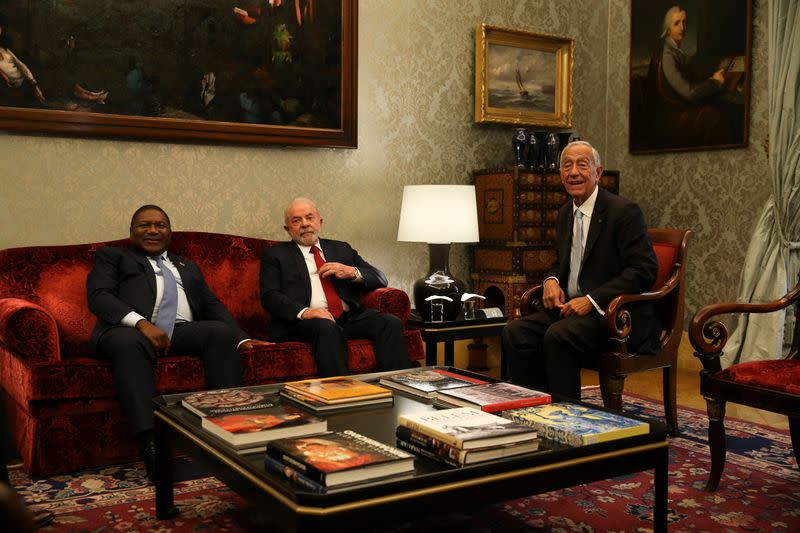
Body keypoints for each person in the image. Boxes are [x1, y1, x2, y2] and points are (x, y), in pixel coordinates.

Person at [86, 205, 271, 482]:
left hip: (180, 331)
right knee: (129, 343)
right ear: (131, 232)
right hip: (127, 331)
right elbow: (99, 296)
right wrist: (142, 324)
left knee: (219, 332)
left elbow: (211, 305)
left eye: (160, 225)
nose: (152, 230)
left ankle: (229, 430)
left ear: (170, 233)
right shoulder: (114, 257)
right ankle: (153, 446)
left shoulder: (186, 265)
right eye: (144, 225)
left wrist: (241, 339)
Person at [502, 141, 660, 399]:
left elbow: (644, 270)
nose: (573, 172)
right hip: (572, 312)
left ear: (597, 173)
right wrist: (551, 280)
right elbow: (561, 262)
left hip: (613, 315)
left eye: (582, 165)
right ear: (561, 175)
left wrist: (591, 300)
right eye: (567, 166)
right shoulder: (565, 213)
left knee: (559, 335)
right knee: (515, 332)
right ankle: (536, 408)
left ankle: (568, 416)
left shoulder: (623, 212)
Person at [260, 198, 411, 376]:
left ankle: (398, 388)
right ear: (287, 229)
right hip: (304, 323)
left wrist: (353, 272)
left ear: (320, 222)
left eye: (310, 218)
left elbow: (380, 278)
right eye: (296, 220)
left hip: (348, 318)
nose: (305, 224)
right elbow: (270, 296)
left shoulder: (342, 249)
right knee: (326, 327)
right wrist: (307, 312)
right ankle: (341, 394)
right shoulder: (275, 255)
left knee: (390, 323)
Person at [643, 5, 742, 147]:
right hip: (670, 116)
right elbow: (689, 93)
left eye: (684, 22)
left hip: (676, 108)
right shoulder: (668, 55)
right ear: (668, 28)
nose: (682, 27)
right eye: (676, 23)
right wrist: (714, 82)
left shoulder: (673, 50)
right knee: (716, 114)